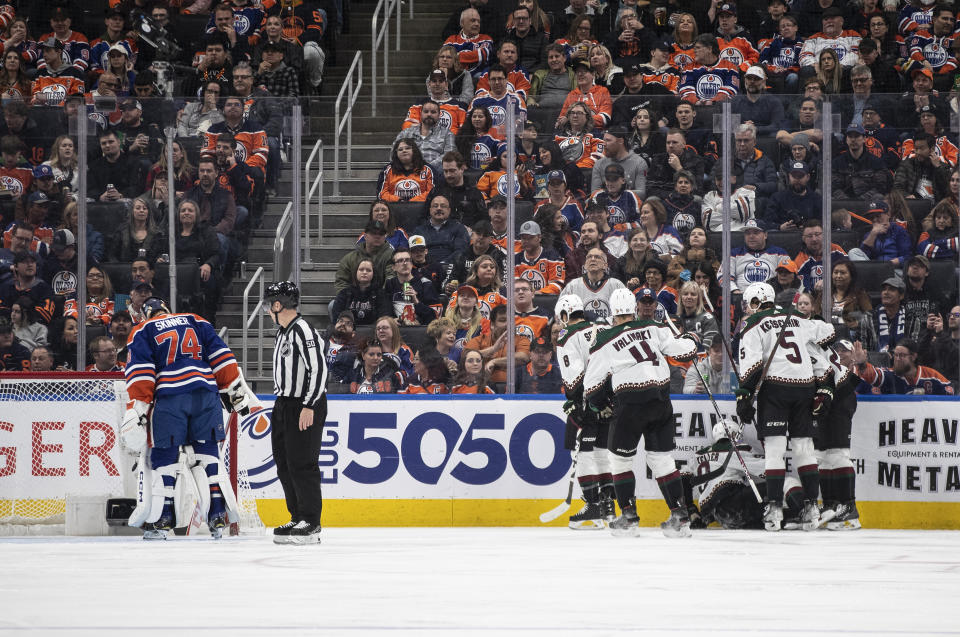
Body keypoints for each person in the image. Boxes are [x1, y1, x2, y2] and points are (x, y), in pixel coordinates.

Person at [120, 297, 255, 540]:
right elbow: (222, 358)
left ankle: (164, 518)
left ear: (147, 314)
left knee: (165, 457)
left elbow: (142, 372)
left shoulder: (143, 329)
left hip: (171, 397)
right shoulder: (196, 320)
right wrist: (233, 390)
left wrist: (137, 409)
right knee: (207, 455)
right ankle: (217, 515)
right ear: (167, 310)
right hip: (206, 394)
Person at [582, 287, 698, 537]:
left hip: (630, 405)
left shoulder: (604, 339)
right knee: (662, 460)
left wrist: (600, 404)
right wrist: (692, 338)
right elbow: (686, 351)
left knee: (621, 460)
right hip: (660, 400)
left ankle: (629, 516)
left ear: (612, 312)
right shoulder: (655, 328)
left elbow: (590, 386)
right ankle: (679, 517)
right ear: (634, 309)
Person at [735, 282, 836, 532]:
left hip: (776, 390)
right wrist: (826, 388)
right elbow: (828, 333)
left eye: (749, 305)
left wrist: (744, 395)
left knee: (775, 450)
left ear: (756, 302)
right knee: (804, 448)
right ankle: (812, 507)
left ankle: (775, 509)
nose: (748, 310)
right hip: (804, 386)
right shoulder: (796, 319)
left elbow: (754, 366)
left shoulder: (753, 324)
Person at [263, 281, 328, 544]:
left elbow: (319, 369)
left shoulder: (303, 330)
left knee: (303, 463)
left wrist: (309, 405)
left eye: (270, 304)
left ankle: (311, 520)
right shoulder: (283, 332)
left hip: (304, 403)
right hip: (283, 404)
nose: (267, 309)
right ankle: (297, 515)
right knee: (285, 463)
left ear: (279, 305)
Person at [554, 294, 615, 529]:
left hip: (587, 402)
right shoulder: (604, 327)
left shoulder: (567, 336)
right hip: (609, 401)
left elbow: (575, 377)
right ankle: (607, 507)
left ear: (565, 314)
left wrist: (574, 402)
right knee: (602, 454)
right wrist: (609, 399)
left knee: (583, 455)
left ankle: (592, 504)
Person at [807, 337, 862, 530]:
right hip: (826, 404)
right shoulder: (824, 359)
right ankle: (831, 505)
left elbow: (866, 378)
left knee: (839, 455)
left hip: (841, 405)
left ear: (852, 355)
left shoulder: (852, 370)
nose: (839, 352)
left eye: (844, 350)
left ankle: (849, 506)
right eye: (836, 348)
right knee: (822, 456)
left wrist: (861, 364)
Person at [851, 337, 953, 395]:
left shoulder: (931, 375)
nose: (897, 359)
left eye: (902, 355)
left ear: (913, 357)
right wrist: (861, 363)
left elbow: (950, 392)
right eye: (895, 355)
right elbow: (872, 375)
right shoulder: (889, 375)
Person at [465, 303, 530, 384]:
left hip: (511, 389)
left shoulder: (521, 340)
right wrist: (493, 349)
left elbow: (523, 357)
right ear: (492, 325)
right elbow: (465, 357)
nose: (508, 324)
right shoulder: (478, 340)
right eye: (502, 320)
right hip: (481, 387)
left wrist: (494, 362)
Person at [560, 246, 627, 322]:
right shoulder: (572, 286)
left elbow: (626, 315)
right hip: (581, 332)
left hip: (610, 332)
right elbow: (561, 313)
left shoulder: (617, 285)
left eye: (597, 257)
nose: (593, 259)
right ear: (585, 265)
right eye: (589, 257)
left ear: (605, 265)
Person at [384, 247, 437, 326]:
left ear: (412, 264)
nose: (405, 263)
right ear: (393, 267)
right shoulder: (390, 284)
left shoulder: (425, 283)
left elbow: (435, 317)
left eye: (407, 260)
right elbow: (383, 312)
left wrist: (416, 302)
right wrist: (390, 320)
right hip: (396, 330)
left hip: (420, 331)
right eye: (400, 261)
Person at [329, 258, 391, 326]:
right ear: (355, 272)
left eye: (368, 270)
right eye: (361, 270)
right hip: (348, 331)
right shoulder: (345, 293)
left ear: (374, 274)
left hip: (373, 332)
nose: (364, 272)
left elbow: (384, 317)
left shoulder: (380, 294)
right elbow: (337, 318)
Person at [515, 220, 565, 295]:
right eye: (523, 238)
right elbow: (513, 286)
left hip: (546, 302)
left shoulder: (553, 257)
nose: (526, 241)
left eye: (530, 237)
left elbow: (557, 285)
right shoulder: (515, 259)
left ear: (539, 238)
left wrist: (538, 293)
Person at [341, 338, 405, 394]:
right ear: (363, 355)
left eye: (379, 355)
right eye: (371, 354)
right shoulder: (352, 375)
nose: (375, 358)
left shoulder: (390, 374)